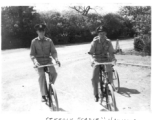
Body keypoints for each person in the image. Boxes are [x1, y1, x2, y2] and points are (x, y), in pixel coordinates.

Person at [30, 23, 61, 102]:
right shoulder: (34, 42)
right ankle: (43, 95)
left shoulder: (49, 41)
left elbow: (53, 52)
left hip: (48, 61)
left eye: (43, 31)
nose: (41, 32)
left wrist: (56, 59)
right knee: (41, 76)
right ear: (37, 32)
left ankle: (51, 87)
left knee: (54, 73)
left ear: (44, 31)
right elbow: (32, 55)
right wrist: (35, 63)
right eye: (40, 31)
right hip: (39, 63)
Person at [88, 26, 117, 102]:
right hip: (96, 61)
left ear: (106, 34)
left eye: (103, 33)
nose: (102, 35)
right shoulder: (94, 42)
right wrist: (92, 60)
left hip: (106, 60)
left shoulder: (108, 42)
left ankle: (109, 87)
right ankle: (96, 95)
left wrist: (113, 58)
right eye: (100, 34)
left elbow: (111, 52)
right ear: (98, 34)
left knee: (110, 72)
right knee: (94, 79)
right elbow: (91, 53)